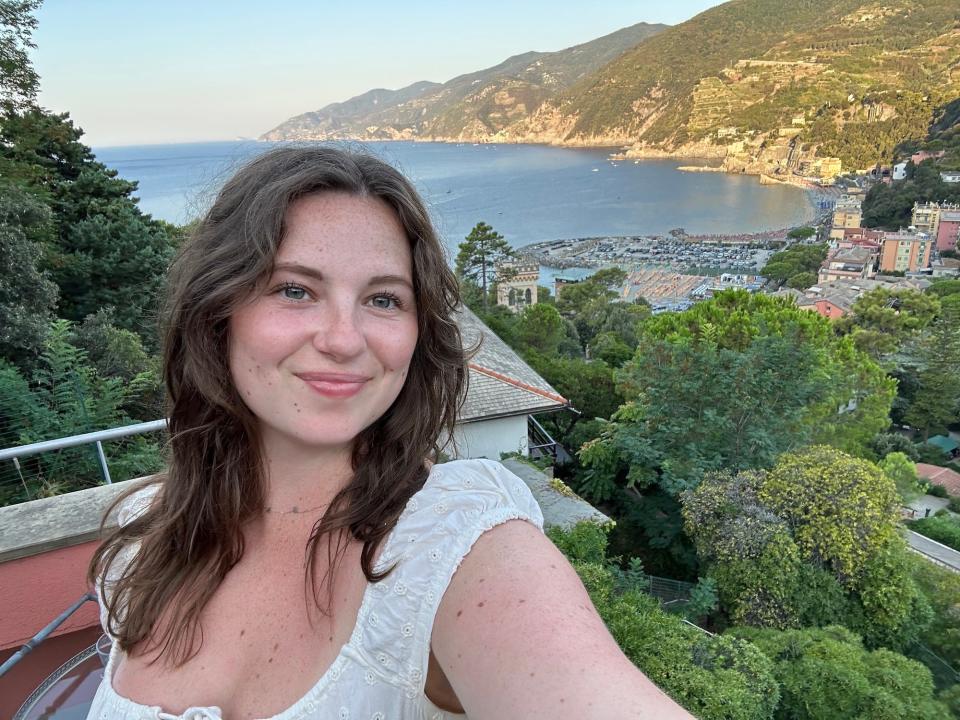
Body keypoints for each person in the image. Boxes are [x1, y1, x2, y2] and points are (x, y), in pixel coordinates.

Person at [86, 146, 693, 719]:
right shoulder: (146, 541)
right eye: (295, 290)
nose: (345, 339)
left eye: (383, 300)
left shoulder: (458, 546)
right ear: (217, 312)